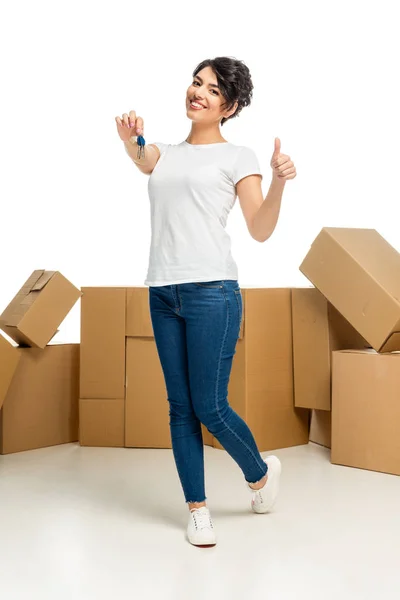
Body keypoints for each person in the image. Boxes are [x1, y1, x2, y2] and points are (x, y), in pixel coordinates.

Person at [115, 56, 297, 547]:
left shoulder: (239, 157)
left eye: (213, 90)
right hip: (163, 291)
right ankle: (198, 509)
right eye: (197, 83)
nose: (198, 92)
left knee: (210, 406)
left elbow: (259, 229)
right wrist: (130, 137)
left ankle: (259, 475)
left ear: (229, 106)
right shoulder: (167, 154)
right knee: (180, 408)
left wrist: (280, 181)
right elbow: (143, 157)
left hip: (212, 292)